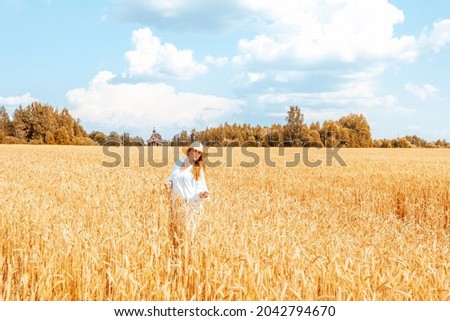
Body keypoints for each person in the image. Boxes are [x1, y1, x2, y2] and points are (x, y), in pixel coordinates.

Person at [164, 141, 209, 248]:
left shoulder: (198, 169)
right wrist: (169, 182)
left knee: (188, 237)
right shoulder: (179, 161)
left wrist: (202, 194)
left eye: (199, 152)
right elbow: (172, 176)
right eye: (195, 151)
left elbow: (201, 187)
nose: (197, 154)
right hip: (175, 206)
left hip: (190, 208)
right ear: (189, 151)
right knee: (175, 235)